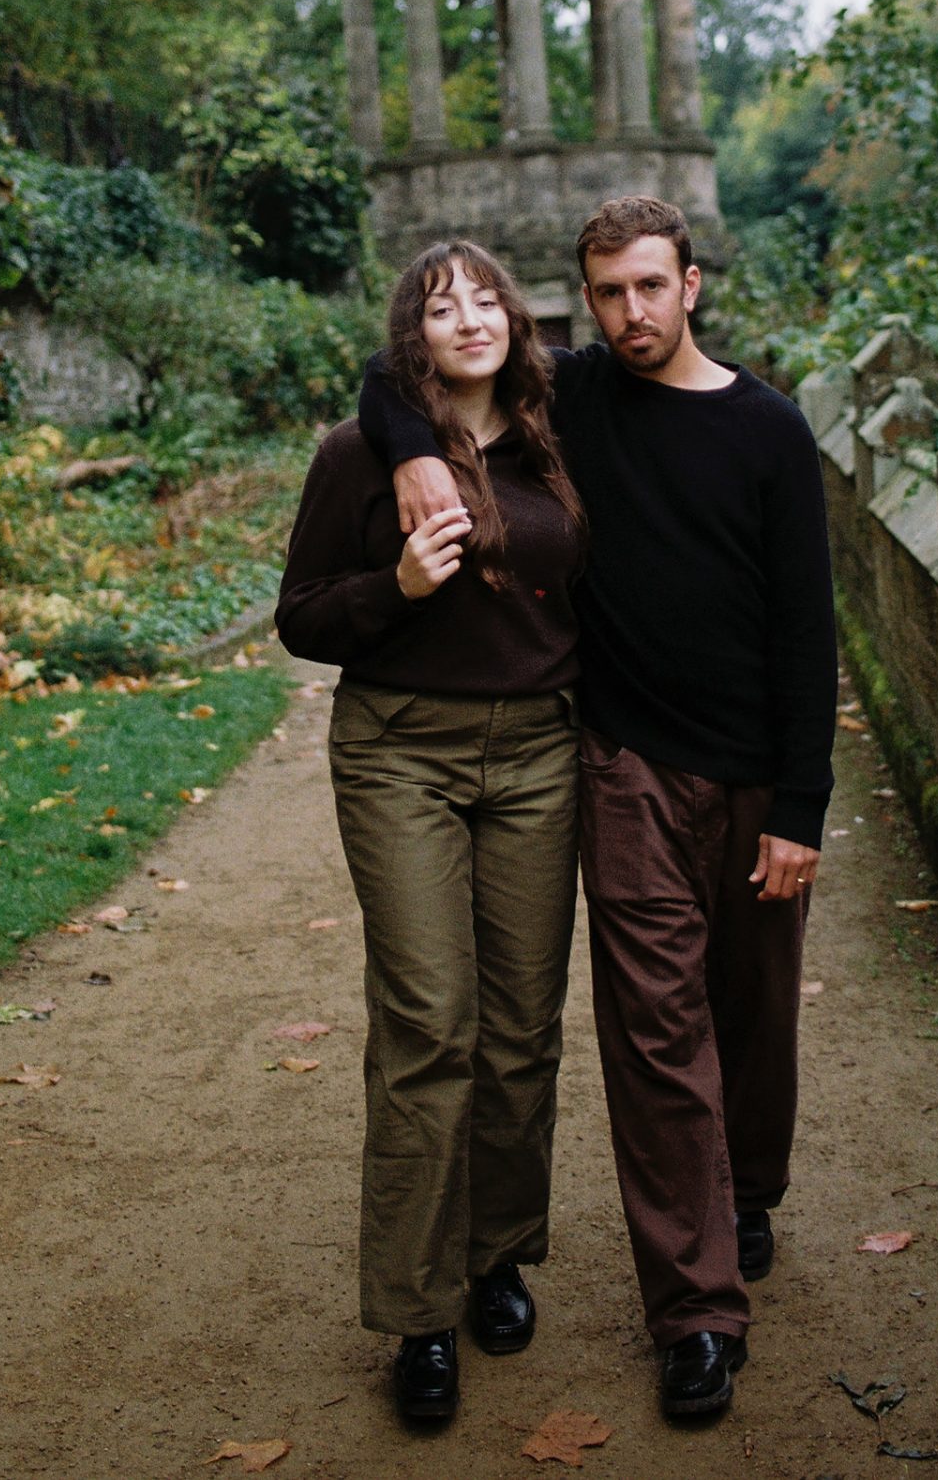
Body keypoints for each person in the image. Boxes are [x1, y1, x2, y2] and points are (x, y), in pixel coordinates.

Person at [359, 194, 837, 1423]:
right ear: (587, 299)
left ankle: (752, 1188)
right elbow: (400, 368)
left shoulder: (770, 429)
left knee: (753, 1012)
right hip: (622, 762)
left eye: (650, 287)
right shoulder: (566, 392)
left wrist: (801, 802)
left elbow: (806, 626)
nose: (630, 311)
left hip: (751, 775)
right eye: (608, 292)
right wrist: (413, 447)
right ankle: (696, 1315)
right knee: (654, 1034)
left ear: (692, 285)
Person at [275, 239, 586, 1425]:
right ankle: (418, 1312)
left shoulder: (563, 431)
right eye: (440, 305)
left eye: (485, 297)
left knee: (519, 1023)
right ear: (414, 333)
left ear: (517, 315)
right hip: (401, 746)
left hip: (542, 749)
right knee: (428, 1020)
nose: (468, 318)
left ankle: (496, 1249)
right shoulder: (361, 453)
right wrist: (395, 588)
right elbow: (302, 617)